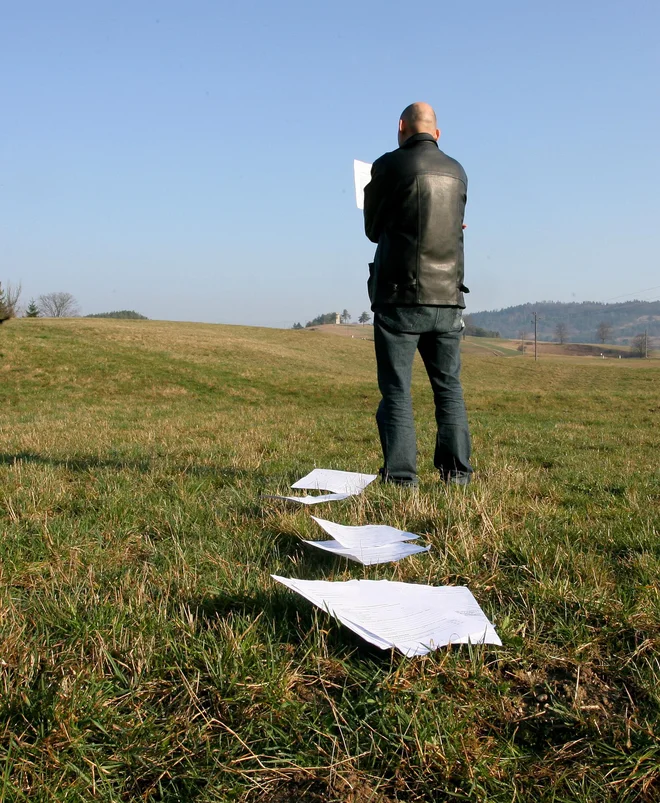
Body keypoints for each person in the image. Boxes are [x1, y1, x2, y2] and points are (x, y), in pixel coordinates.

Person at [363, 102, 473, 487]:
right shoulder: (458, 172)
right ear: (437, 134)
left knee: (397, 389)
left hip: (400, 296)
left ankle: (401, 478)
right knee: (449, 390)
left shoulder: (388, 166)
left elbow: (373, 229)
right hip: (448, 297)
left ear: (400, 127)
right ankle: (457, 475)